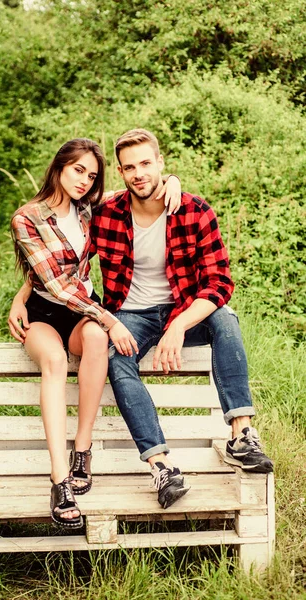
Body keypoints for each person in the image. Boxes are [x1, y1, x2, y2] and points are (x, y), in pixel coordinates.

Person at [88, 128, 273, 510]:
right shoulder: (105, 213)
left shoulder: (193, 210)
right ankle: (162, 466)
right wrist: (24, 295)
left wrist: (179, 324)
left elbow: (220, 282)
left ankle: (242, 434)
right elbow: (59, 240)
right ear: (121, 173)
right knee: (115, 357)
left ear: (160, 163)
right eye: (129, 168)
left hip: (182, 312)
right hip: (130, 315)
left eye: (145, 163)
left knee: (224, 318)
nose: (138, 173)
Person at [9, 137, 182, 527]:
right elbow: (54, 283)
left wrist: (171, 179)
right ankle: (59, 481)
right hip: (44, 313)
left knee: (96, 339)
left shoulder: (90, 211)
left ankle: (82, 450)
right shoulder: (27, 217)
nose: (84, 180)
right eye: (77, 170)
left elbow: (142, 186)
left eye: (91, 174)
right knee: (54, 360)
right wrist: (109, 317)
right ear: (59, 168)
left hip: (83, 313)